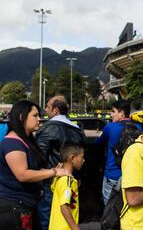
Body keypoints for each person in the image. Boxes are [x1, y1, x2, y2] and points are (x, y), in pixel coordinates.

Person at [0, 100, 68, 230]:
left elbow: (33, 169)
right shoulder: (12, 143)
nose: (39, 119)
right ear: (21, 117)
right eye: (35, 115)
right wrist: (53, 172)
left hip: (26, 206)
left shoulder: (25, 141)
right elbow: (23, 174)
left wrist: (52, 171)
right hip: (14, 208)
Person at [36, 95, 85, 230]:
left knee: (48, 219)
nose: (45, 110)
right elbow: (81, 156)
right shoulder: (78, 129)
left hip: (50, 181)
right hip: (71, 179)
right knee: (69, 215)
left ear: (56, 110)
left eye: (47, 107)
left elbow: (39, 157)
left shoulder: (47, 128)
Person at [96, 100, 142, 205]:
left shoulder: (110, 127)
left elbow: (97, 142)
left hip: (112, 174)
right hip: (131, 175)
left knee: (109, 208)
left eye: (113, 111)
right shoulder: (138, 127)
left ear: (121, 113)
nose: (110, 114)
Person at [49, 144, 85, 230]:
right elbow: (64, 207)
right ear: (72, 158)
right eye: (82, 157)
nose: (83, 160)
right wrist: (76, 228)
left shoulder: (59, 178)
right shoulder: (67, 181)